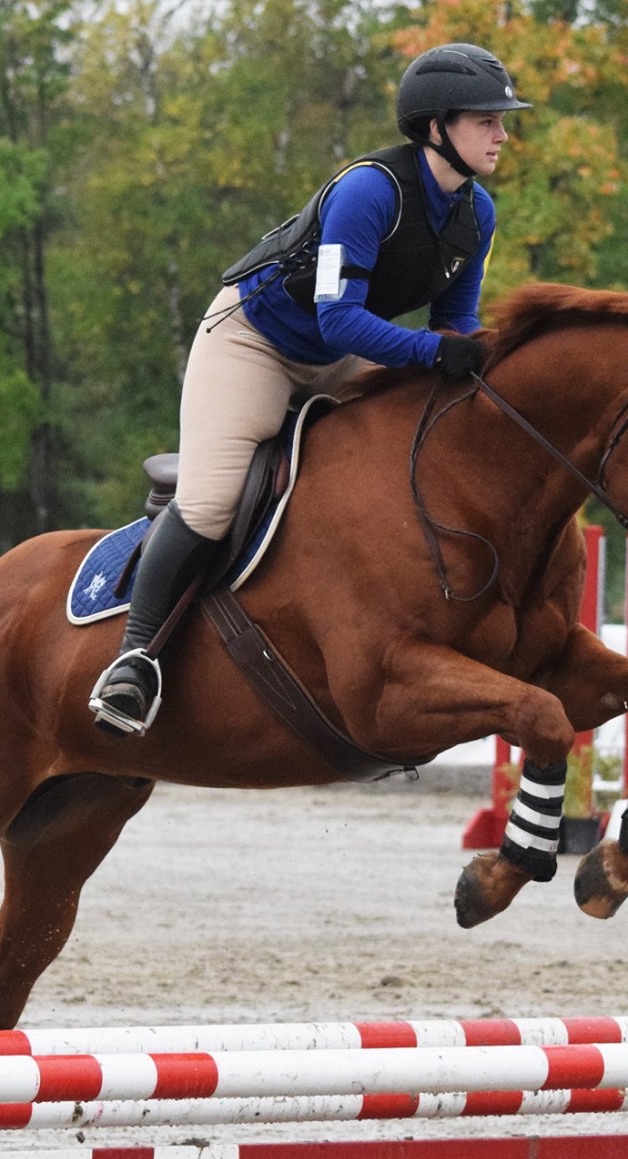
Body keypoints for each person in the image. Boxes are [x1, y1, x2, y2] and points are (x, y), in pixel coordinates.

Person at [91, 42, 532, 736]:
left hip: (343, 353)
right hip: (255, 342)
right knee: (209, 502)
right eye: (487, 119)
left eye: (502, 120)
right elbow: (340, 315)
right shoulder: (370, 191)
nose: (503, 133)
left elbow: (456, 324)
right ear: (435, 126)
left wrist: (466, 359)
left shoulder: (478, 214)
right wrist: (434, 353)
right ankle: (133, 660)